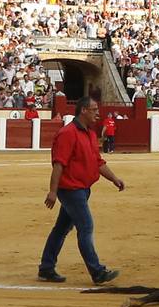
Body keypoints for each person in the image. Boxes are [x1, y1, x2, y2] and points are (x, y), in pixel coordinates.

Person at [38, 95, 124, 285]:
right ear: (83, 110)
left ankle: (46, 267)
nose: (97, 113)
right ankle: (97, 272)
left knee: (61, 229)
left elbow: (98, 163)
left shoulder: (90, 134)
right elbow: (59, 164)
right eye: (94, 110)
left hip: (83, 189)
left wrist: (114, 179)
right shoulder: (68, 133)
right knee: (86, 227)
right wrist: (52, 191)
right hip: (70, 190)